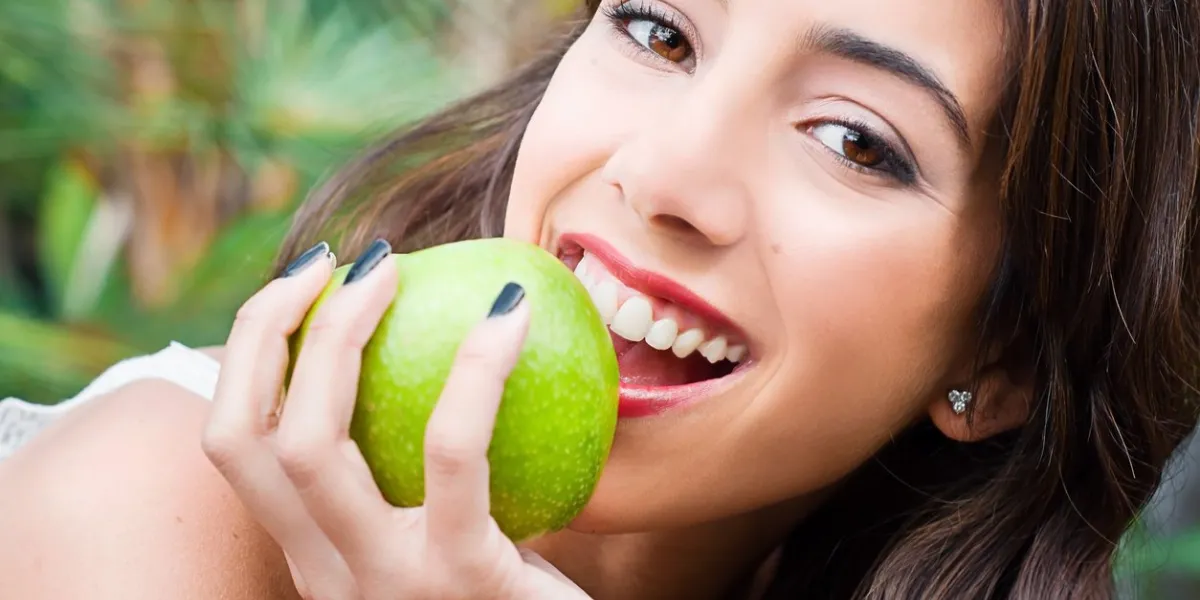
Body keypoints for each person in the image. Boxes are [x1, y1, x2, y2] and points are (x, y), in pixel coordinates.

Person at [1, 0, 1199, 598]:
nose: (666, 173)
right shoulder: (161, 506)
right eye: (659, 31)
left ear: (1005, 361)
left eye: (852, 140)